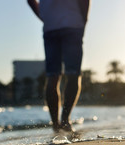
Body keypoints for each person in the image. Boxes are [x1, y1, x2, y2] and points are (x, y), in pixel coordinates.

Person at [27, 0, 90, 133]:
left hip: (51, 26)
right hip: (72, 23)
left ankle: (56, 125)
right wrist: (83, 20)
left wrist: (45, 16)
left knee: (53, 76)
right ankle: (65, 120)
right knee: (73, 74)